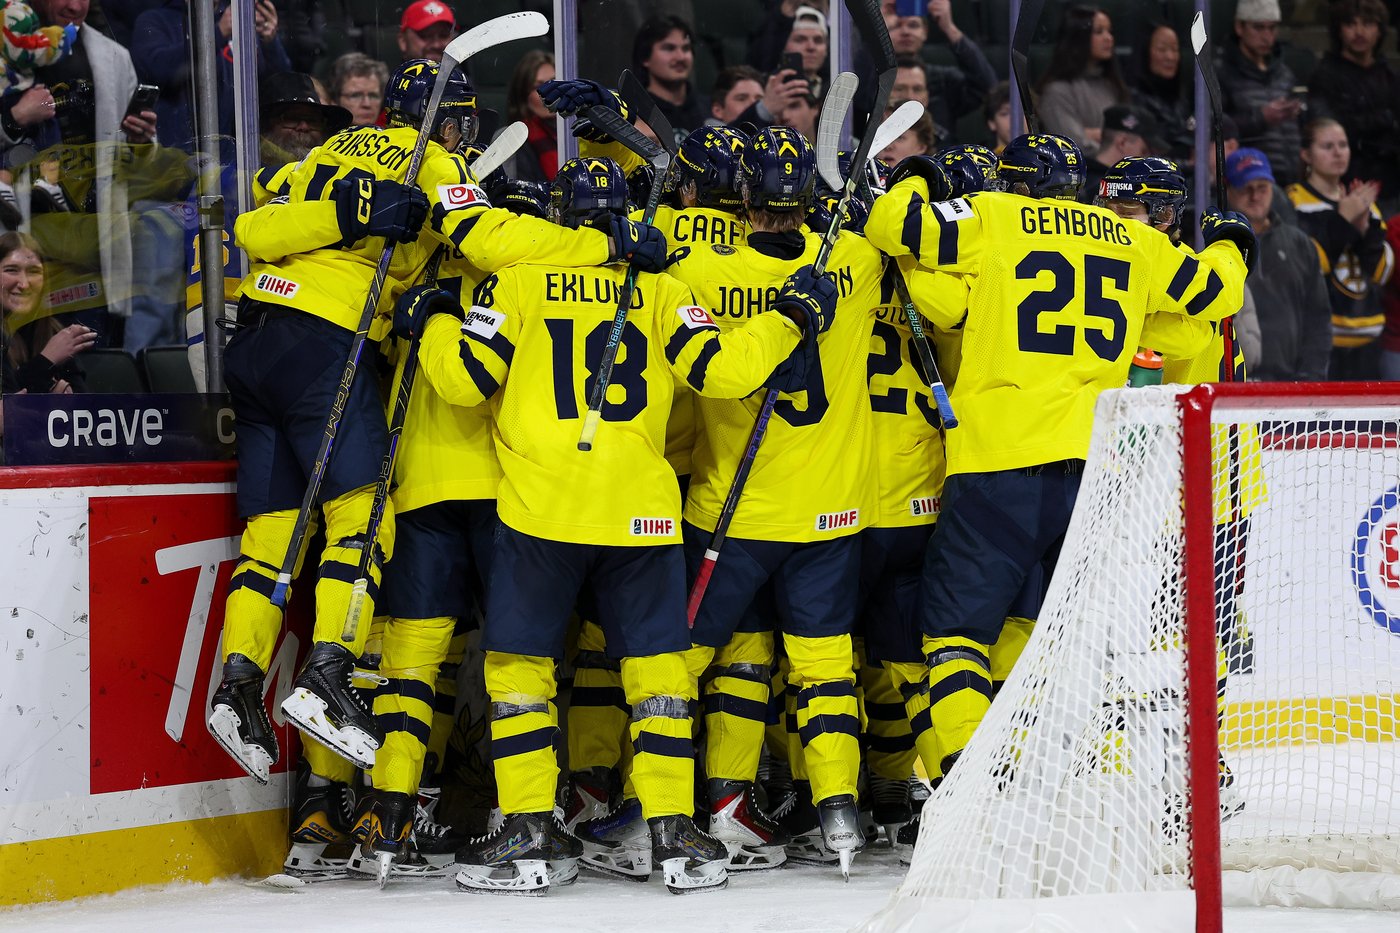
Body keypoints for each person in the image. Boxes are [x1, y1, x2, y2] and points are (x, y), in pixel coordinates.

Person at [206, 59, 669, 799]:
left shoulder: (330, 151)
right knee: (359, 520)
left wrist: (339, 214)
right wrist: (605, 246)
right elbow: (487, 244)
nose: (464, 133)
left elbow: (253, 225)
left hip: (257, 336)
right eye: (461, 120)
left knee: (273, 536)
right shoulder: (438, 160)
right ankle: (328, 674)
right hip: (331, 339)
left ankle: (237, 682)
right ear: (445, 120)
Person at [419, 155, 824, 895]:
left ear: (555, 219)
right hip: (642, 511)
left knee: (519, 672)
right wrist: (790, 315)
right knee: (659, 673)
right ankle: (673, 829)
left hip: (544, 506)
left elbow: (461, 380)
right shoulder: (665, 288)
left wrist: (438, 318)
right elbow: (726, 374)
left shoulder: (520, 280)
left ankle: (532, 826)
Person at [864, 132, 1249, 792]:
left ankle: (972, 788)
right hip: (1091, 475)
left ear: (1012, 182)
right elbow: (1213, 302)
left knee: (954, 637)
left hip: (996, 465)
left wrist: (918, 176)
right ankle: (1056, 778)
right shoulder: (1134, 241)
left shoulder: (994, 214)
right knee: (1034, 631)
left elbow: (893, 226)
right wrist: (1230, 241)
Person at [667, 126, 885, 874]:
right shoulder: (854, 261)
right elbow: (874, 229)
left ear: (745, 199)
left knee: (702, 661)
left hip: (734, 510)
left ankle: (684, 808)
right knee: (824, 668)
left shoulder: (699, 268)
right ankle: (840, 815)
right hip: (831, 513)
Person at [1287, 118, 1394, 379]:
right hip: (1320, 340)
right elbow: (1307, 265)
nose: (1338, 152)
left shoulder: (1361, 200)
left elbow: (1382, 272)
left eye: (1343, 145)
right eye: (1327, 146)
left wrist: (1366, 227)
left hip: (1369, 337)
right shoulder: (1294, 199)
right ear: (1306, 154)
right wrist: (1344, 221)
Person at [1225, 147, 1331, 380]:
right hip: (1230, 383)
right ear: (1228, 190)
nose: (1255, 196)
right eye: (1246, 188)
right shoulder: (1212, 245)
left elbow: (1318, 318)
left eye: (1262, 188)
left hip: (1291, 381)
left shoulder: (1299, 244)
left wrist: (1311, 376)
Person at [131, 0, 291, 152]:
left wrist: (270, 42)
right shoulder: (156, 20)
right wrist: (218, 33)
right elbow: (158, 71)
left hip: (233, 159)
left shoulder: (239, 21)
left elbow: (278, 90)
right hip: (174, 159)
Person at [1306, 0, 1400, 212]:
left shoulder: (1390, 78)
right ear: (1339, 30)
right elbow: (1327, 129)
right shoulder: (1324, 76)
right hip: (1343, 184)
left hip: (1391, 183)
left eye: (1367, 23)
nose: (1359, 31)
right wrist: (1383, 121)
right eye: (1350, 24)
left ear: (1379, 30)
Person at [1219, 0, 1304, 187]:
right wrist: (1261, 118)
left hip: (1293, 179)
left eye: (1272, 28)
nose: (1267, 36)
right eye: (1259, 28)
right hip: (1249, 181)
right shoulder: (1222, 73)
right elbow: (1214, 127)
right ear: (1239, 27)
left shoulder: (1284, 73)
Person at [0, 231, 92, 394]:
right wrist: (47, 361)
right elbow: (7, 405)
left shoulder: (53, 330)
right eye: (12, 270)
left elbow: (84, 407)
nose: (24, 284)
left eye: (33, 271)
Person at [1037, 5, 1131, 158]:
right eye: (1099, 31)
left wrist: (1096, 134)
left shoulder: (1112, 85)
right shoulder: (1057, 91)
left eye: (1109, 31)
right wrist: (1108, 141)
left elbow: (1131, 137)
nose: (1109, 38)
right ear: (1078, 37)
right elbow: (1073, 147)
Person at [1129, 22, 1195, 163]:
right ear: (1146, 53)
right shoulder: (1133, 98)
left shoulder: (1182, 97)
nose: (1170, 57)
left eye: (1174, 49)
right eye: (1162, 49)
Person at [633, 15, 702, 144]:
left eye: (686, 48)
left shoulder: (709, 111)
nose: (681, 57)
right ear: (645, 58)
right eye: (669, 48)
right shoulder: (632, 112)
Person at [1078, 104, 1157, 204]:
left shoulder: (1076, 178)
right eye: (1144, 151)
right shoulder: (1109, 191)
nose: (1147, 159)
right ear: (1122, 143)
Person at [505, 49, 557, 183]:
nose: (550, 92)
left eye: (554, 82)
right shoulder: (517, 143)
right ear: (523, 95)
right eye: (538, 87)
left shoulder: (577, 133)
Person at [328, 52, 389, 128]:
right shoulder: (324, 139)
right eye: (356, 95)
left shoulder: (396, 137)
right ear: (334, 101)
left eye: (373, 96)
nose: (367, 104)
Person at [983, 81, 1013, 152]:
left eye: (1021, 112)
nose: (1015, 120)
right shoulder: (984, 162)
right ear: (992, 123)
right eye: (1005, 114)